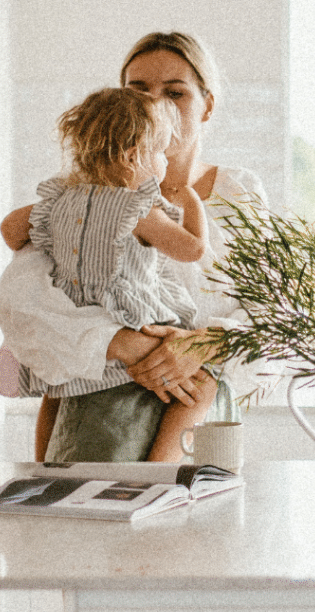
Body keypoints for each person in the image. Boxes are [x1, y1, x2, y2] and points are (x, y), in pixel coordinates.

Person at [0, 31, 267, 612]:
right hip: (98, 440)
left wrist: (180, 354)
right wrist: (121, 345)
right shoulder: (79, 197)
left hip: (203, 438)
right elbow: (23, 307)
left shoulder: (235, 200)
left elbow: (264, 321)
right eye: (139, 87)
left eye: (175, 89)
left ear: (205, 105)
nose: (157, 102)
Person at [22, 85, 216, 462]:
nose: (164, 160)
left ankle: (44, 468)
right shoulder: (139, 208)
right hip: (134, 325)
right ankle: (160, 470)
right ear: (132, 158)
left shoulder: (57, 201)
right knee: (203, 386)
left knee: (57, 392)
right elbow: (192, 249)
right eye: (159, 151)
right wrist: (191, 201)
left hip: (81, 331)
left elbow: (12, 229)